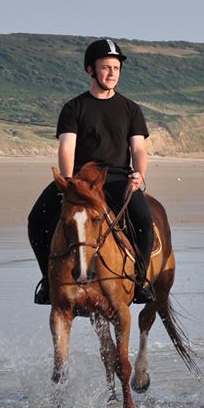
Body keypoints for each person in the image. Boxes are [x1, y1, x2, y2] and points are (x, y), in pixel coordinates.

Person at [27, 39, 154, 305]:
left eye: (116, 68)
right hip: (80, 179)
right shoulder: (74, 108)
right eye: (106, 67)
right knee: (36, 220)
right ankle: (48, 282)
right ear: (90, 70)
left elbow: (139, 149)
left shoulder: (131, 109)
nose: (112, 73)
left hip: (118, 178)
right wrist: (69, 181)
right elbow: (66, 147)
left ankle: (141, 281)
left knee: (143, 218)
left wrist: (139, 174)